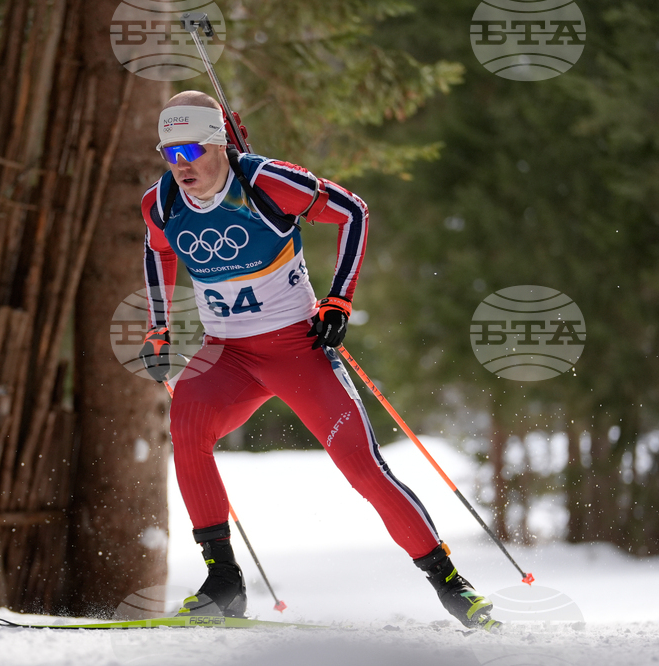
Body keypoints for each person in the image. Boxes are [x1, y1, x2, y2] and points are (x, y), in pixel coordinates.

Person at [137, 90, 499, 632]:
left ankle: (450, 584)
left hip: (296, 350)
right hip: (228, 355)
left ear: (218, 142)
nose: (181, 165)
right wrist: (160, 325)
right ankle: (224, 582)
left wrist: (340, 299)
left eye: (191, 149)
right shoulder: (161, 201)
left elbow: (353, 211)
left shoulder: (265, 183)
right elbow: (159, 250)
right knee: (187, 425)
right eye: (170, 153)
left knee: (361, 464)